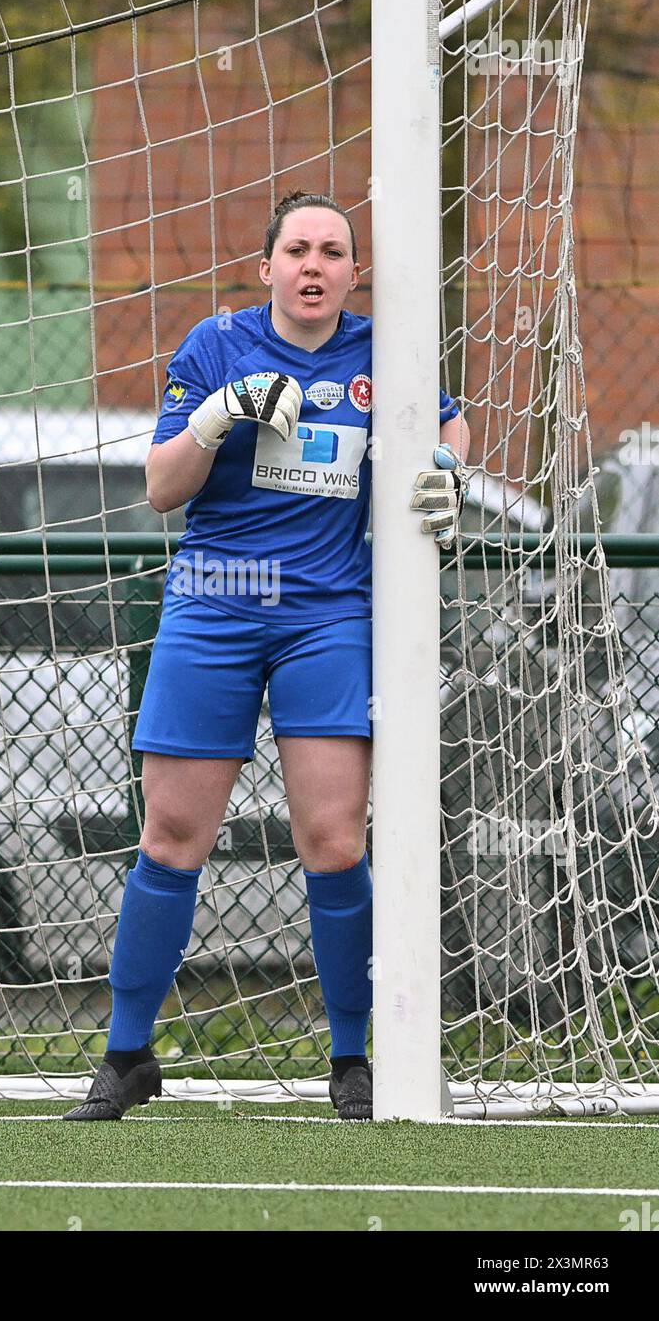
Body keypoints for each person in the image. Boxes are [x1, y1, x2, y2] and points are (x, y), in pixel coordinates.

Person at [64, 191, 470, 1122]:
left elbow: (446, 423)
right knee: (171, 840)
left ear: (354, 271)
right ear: (268, 266)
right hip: (214, 606)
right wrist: (217, 417)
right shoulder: (217, 343)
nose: (315, 265)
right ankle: (128, 1055)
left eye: (333, 251)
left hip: (328, 614)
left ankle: (352, 1060)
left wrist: (449, 469)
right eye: (298, 249)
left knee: (331, 843)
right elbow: (162, 490)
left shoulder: (384, 349)